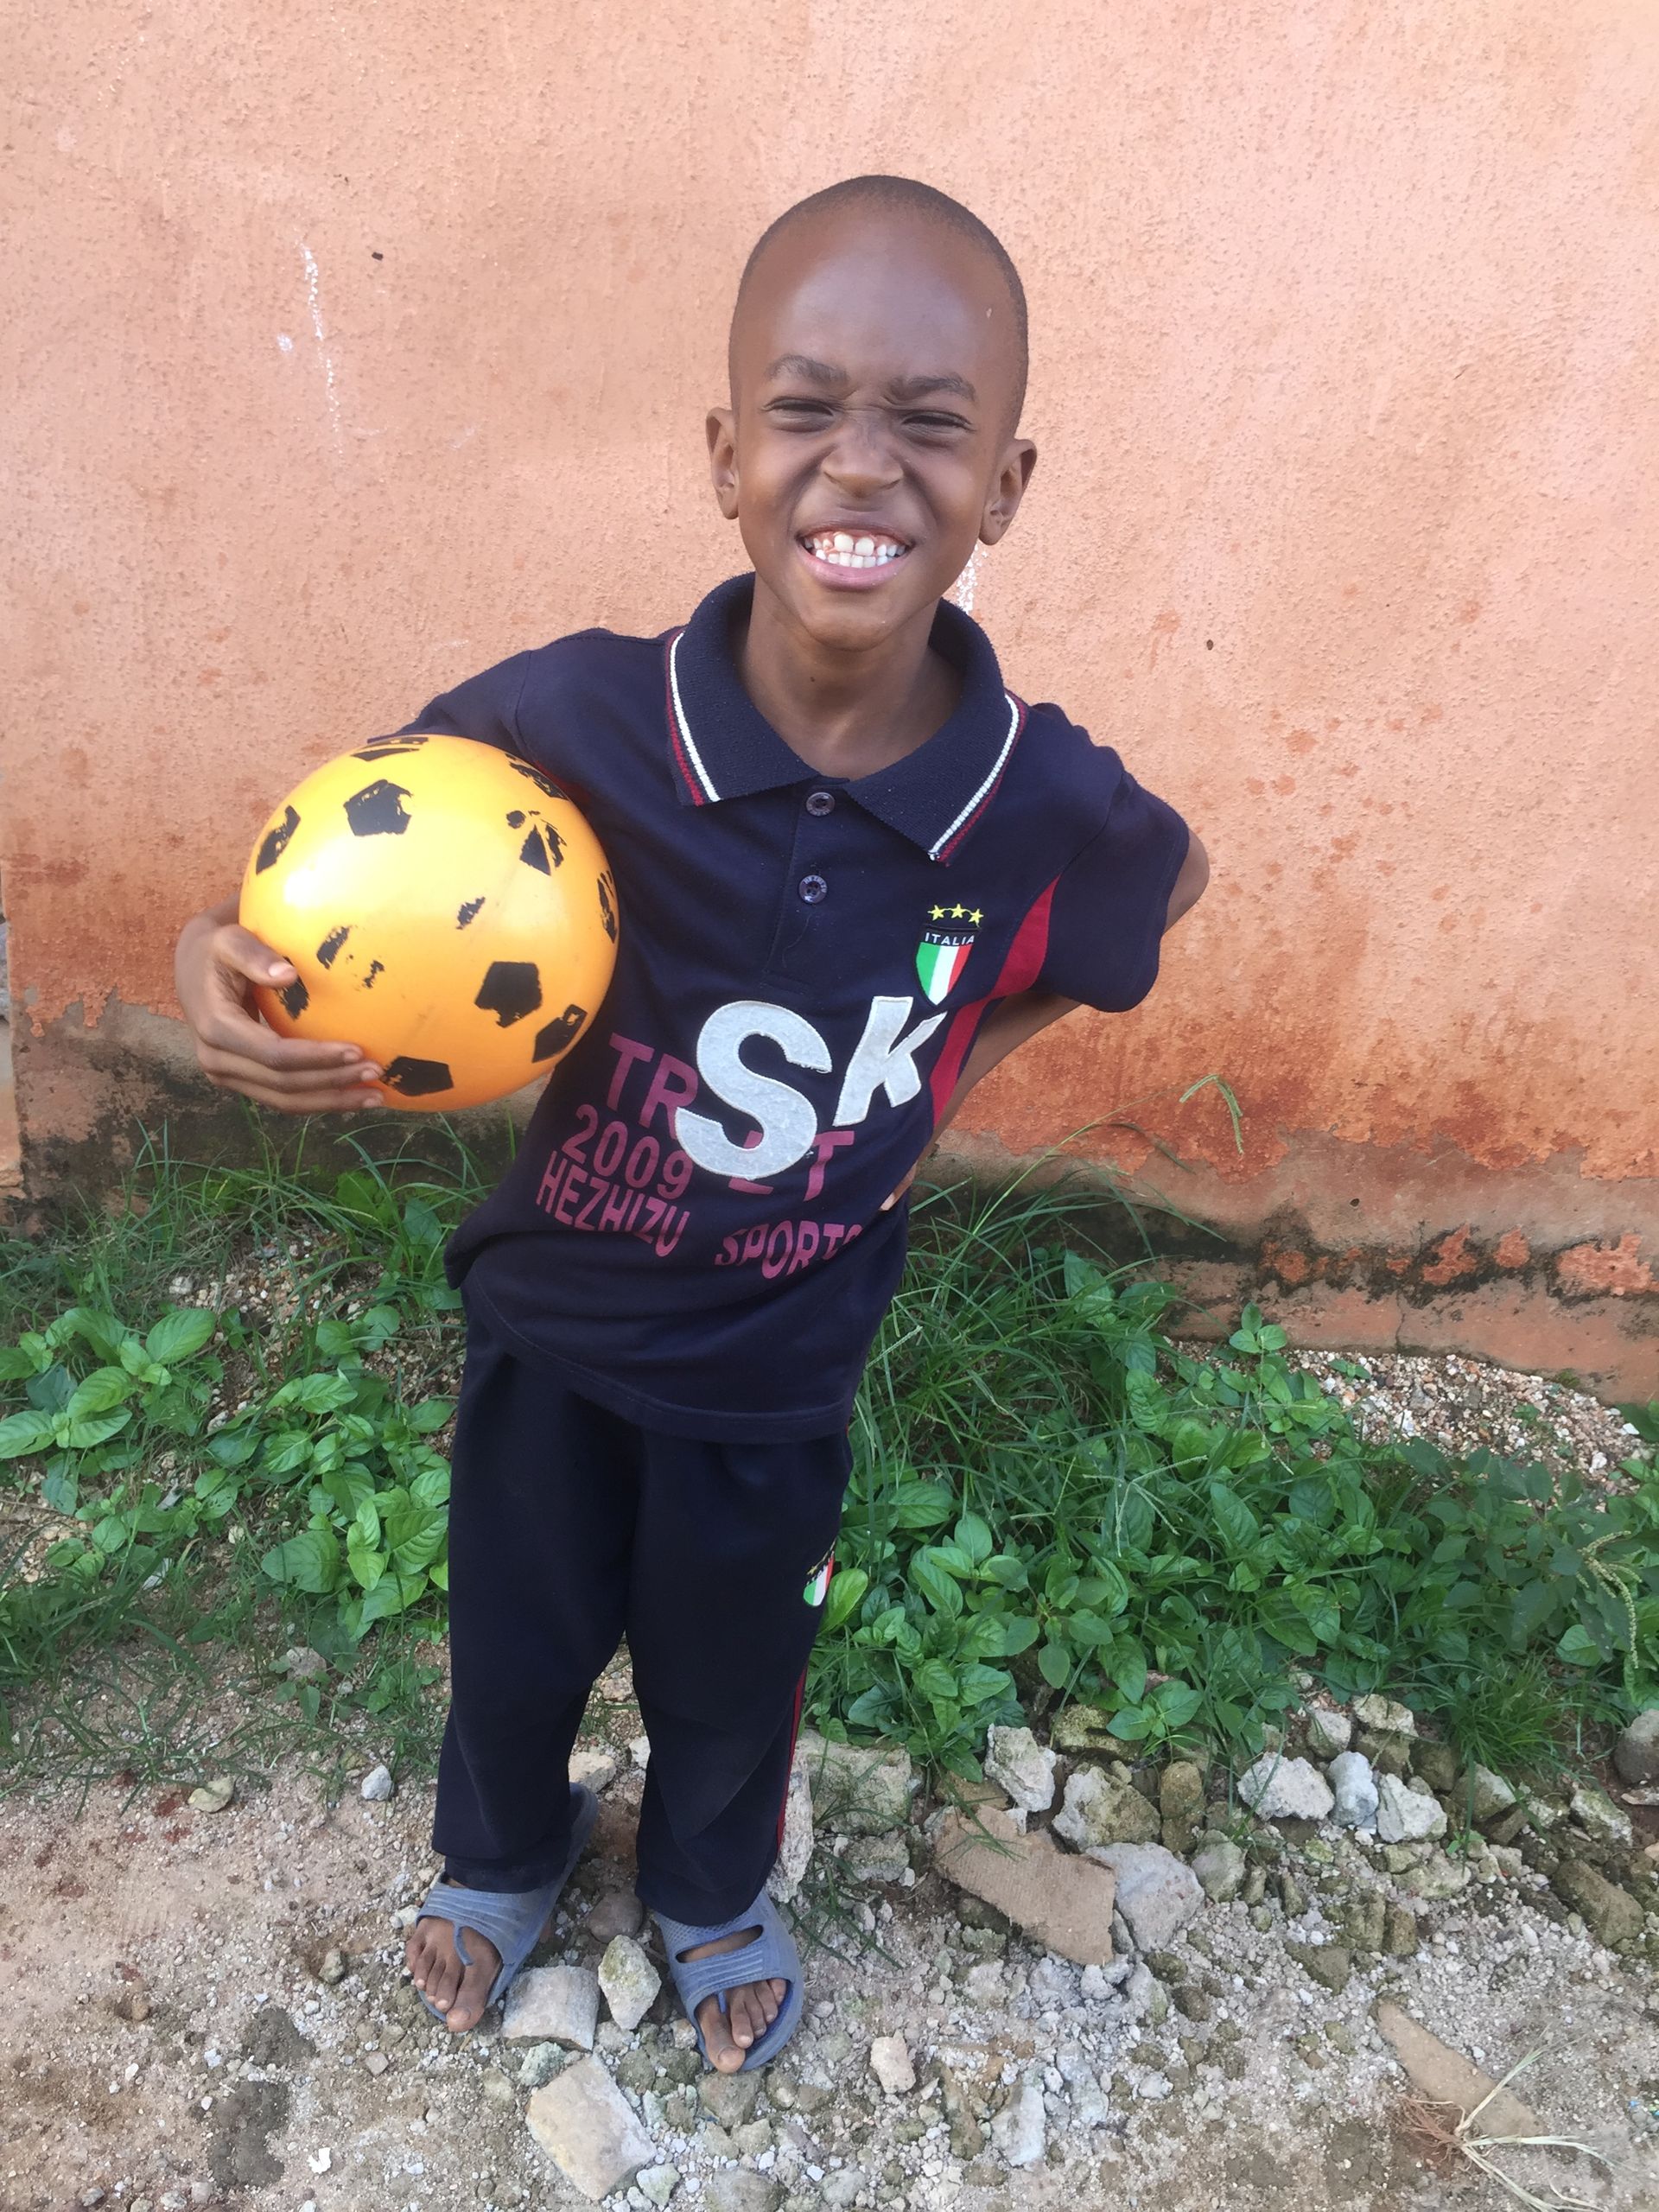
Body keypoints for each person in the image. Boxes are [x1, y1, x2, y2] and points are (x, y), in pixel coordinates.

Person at [173, 175, 1209, 2073]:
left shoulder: (1039, 800)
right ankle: (503, 1852)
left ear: (1006, 484)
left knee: (737, 1674)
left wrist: (957, 1055)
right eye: (807, 409)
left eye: (930, 423)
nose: (862, 463)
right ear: (728, 454)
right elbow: (350, 859)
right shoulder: (574, 721)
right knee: (513, 1637)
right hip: (552, 1324)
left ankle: (712, 1887)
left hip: (780, 1368)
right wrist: (206, 959)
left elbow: (1158, 896)